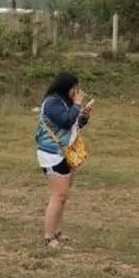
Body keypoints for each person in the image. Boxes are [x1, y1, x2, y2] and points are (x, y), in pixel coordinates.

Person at [35, 69, 95, 251]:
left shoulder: (63, 102)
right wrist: (77, 105)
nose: (77, 92)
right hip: (52, 154)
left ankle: (57, 232)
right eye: (75, 88)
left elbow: (74, 125)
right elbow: (66, 121)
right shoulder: (52, 102)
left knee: (63, 196)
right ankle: (48, 236)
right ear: (66, 87)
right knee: (58, 196)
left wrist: (83, 115)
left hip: (64, 152)